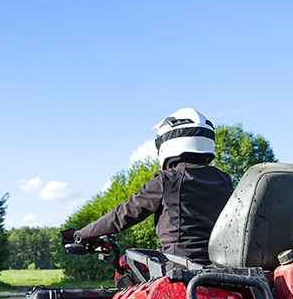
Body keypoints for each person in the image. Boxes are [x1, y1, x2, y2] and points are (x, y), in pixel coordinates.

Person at [66, 108, 234, 265]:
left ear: (168, 142)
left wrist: (83, 234)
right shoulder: (224, 180)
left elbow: (123, 214)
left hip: (180, 270)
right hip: (219, 269)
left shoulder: (167, 180)